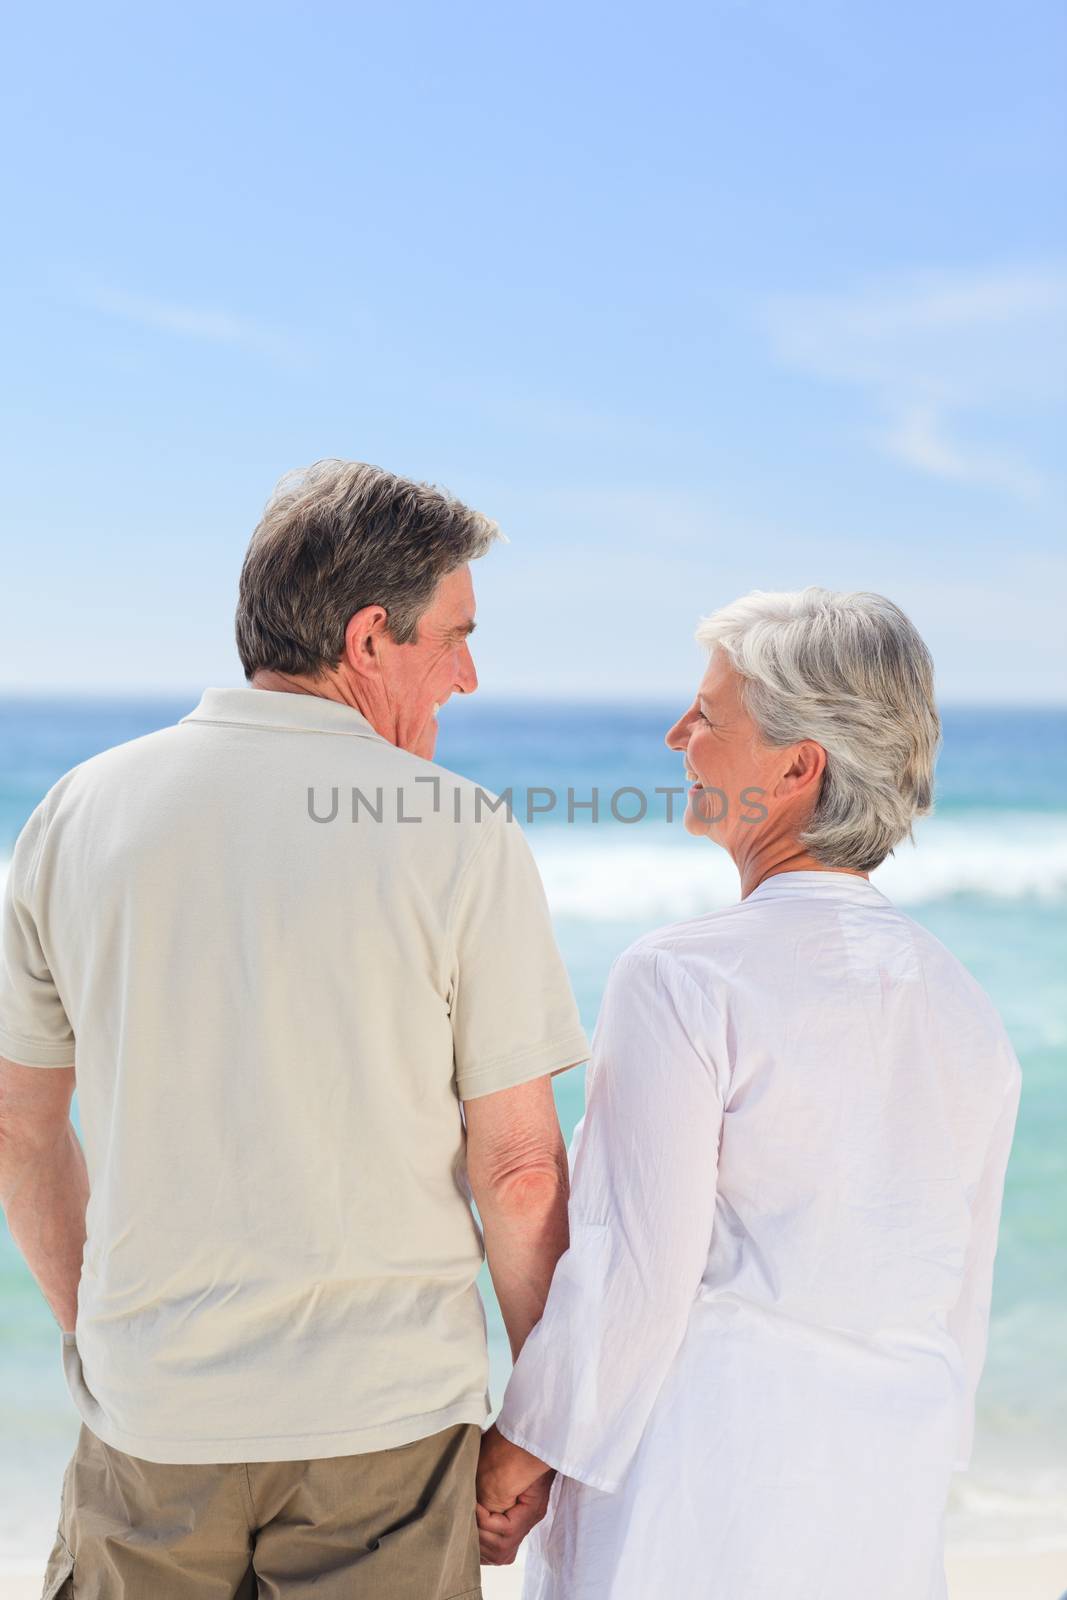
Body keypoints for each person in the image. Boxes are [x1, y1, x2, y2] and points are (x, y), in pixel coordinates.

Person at [0, 459, 589, 1600]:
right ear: (370, 640)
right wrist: (539, 1423)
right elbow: (517, 1173)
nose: (467, 676)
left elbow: (22, 1136)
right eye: (454, 637)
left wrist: (109, 1344)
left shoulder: (75, 812)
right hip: (385, 1439)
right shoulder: (457, 833)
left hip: (154, 1428)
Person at [476, 587, 1021, 1600]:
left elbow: (636, 1273)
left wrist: (523, 1447)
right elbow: (957, 1308)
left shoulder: (683, 977)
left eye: (707, 715)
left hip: (699, 1492)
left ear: (795, 767)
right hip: (879, 1502)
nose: (676, 734)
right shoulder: (966, 1012)